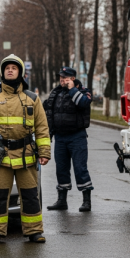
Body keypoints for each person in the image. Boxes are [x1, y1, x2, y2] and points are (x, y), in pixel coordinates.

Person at [0, 54, 51, 244]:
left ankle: (34, 231)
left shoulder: (33, 98)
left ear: (21, 72)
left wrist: (44, 152)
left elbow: (42, 127)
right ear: (2, 72)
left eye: (14, 68)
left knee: (30, 196)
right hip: (1, 156)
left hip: (26, 156)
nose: (10, 70)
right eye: (7, 67)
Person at [44, 67, 93, 212]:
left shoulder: (84, 91)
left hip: (77, 137)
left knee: (80, 168)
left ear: (72, 79)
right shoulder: (56, 92)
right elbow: (48, 111)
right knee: (61, 170)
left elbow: (83, 103)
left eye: (65, 77)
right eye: (61, 77)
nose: (62, 80)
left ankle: (86, 201)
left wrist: (73, 90)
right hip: (60, 137)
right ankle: (62, 201)